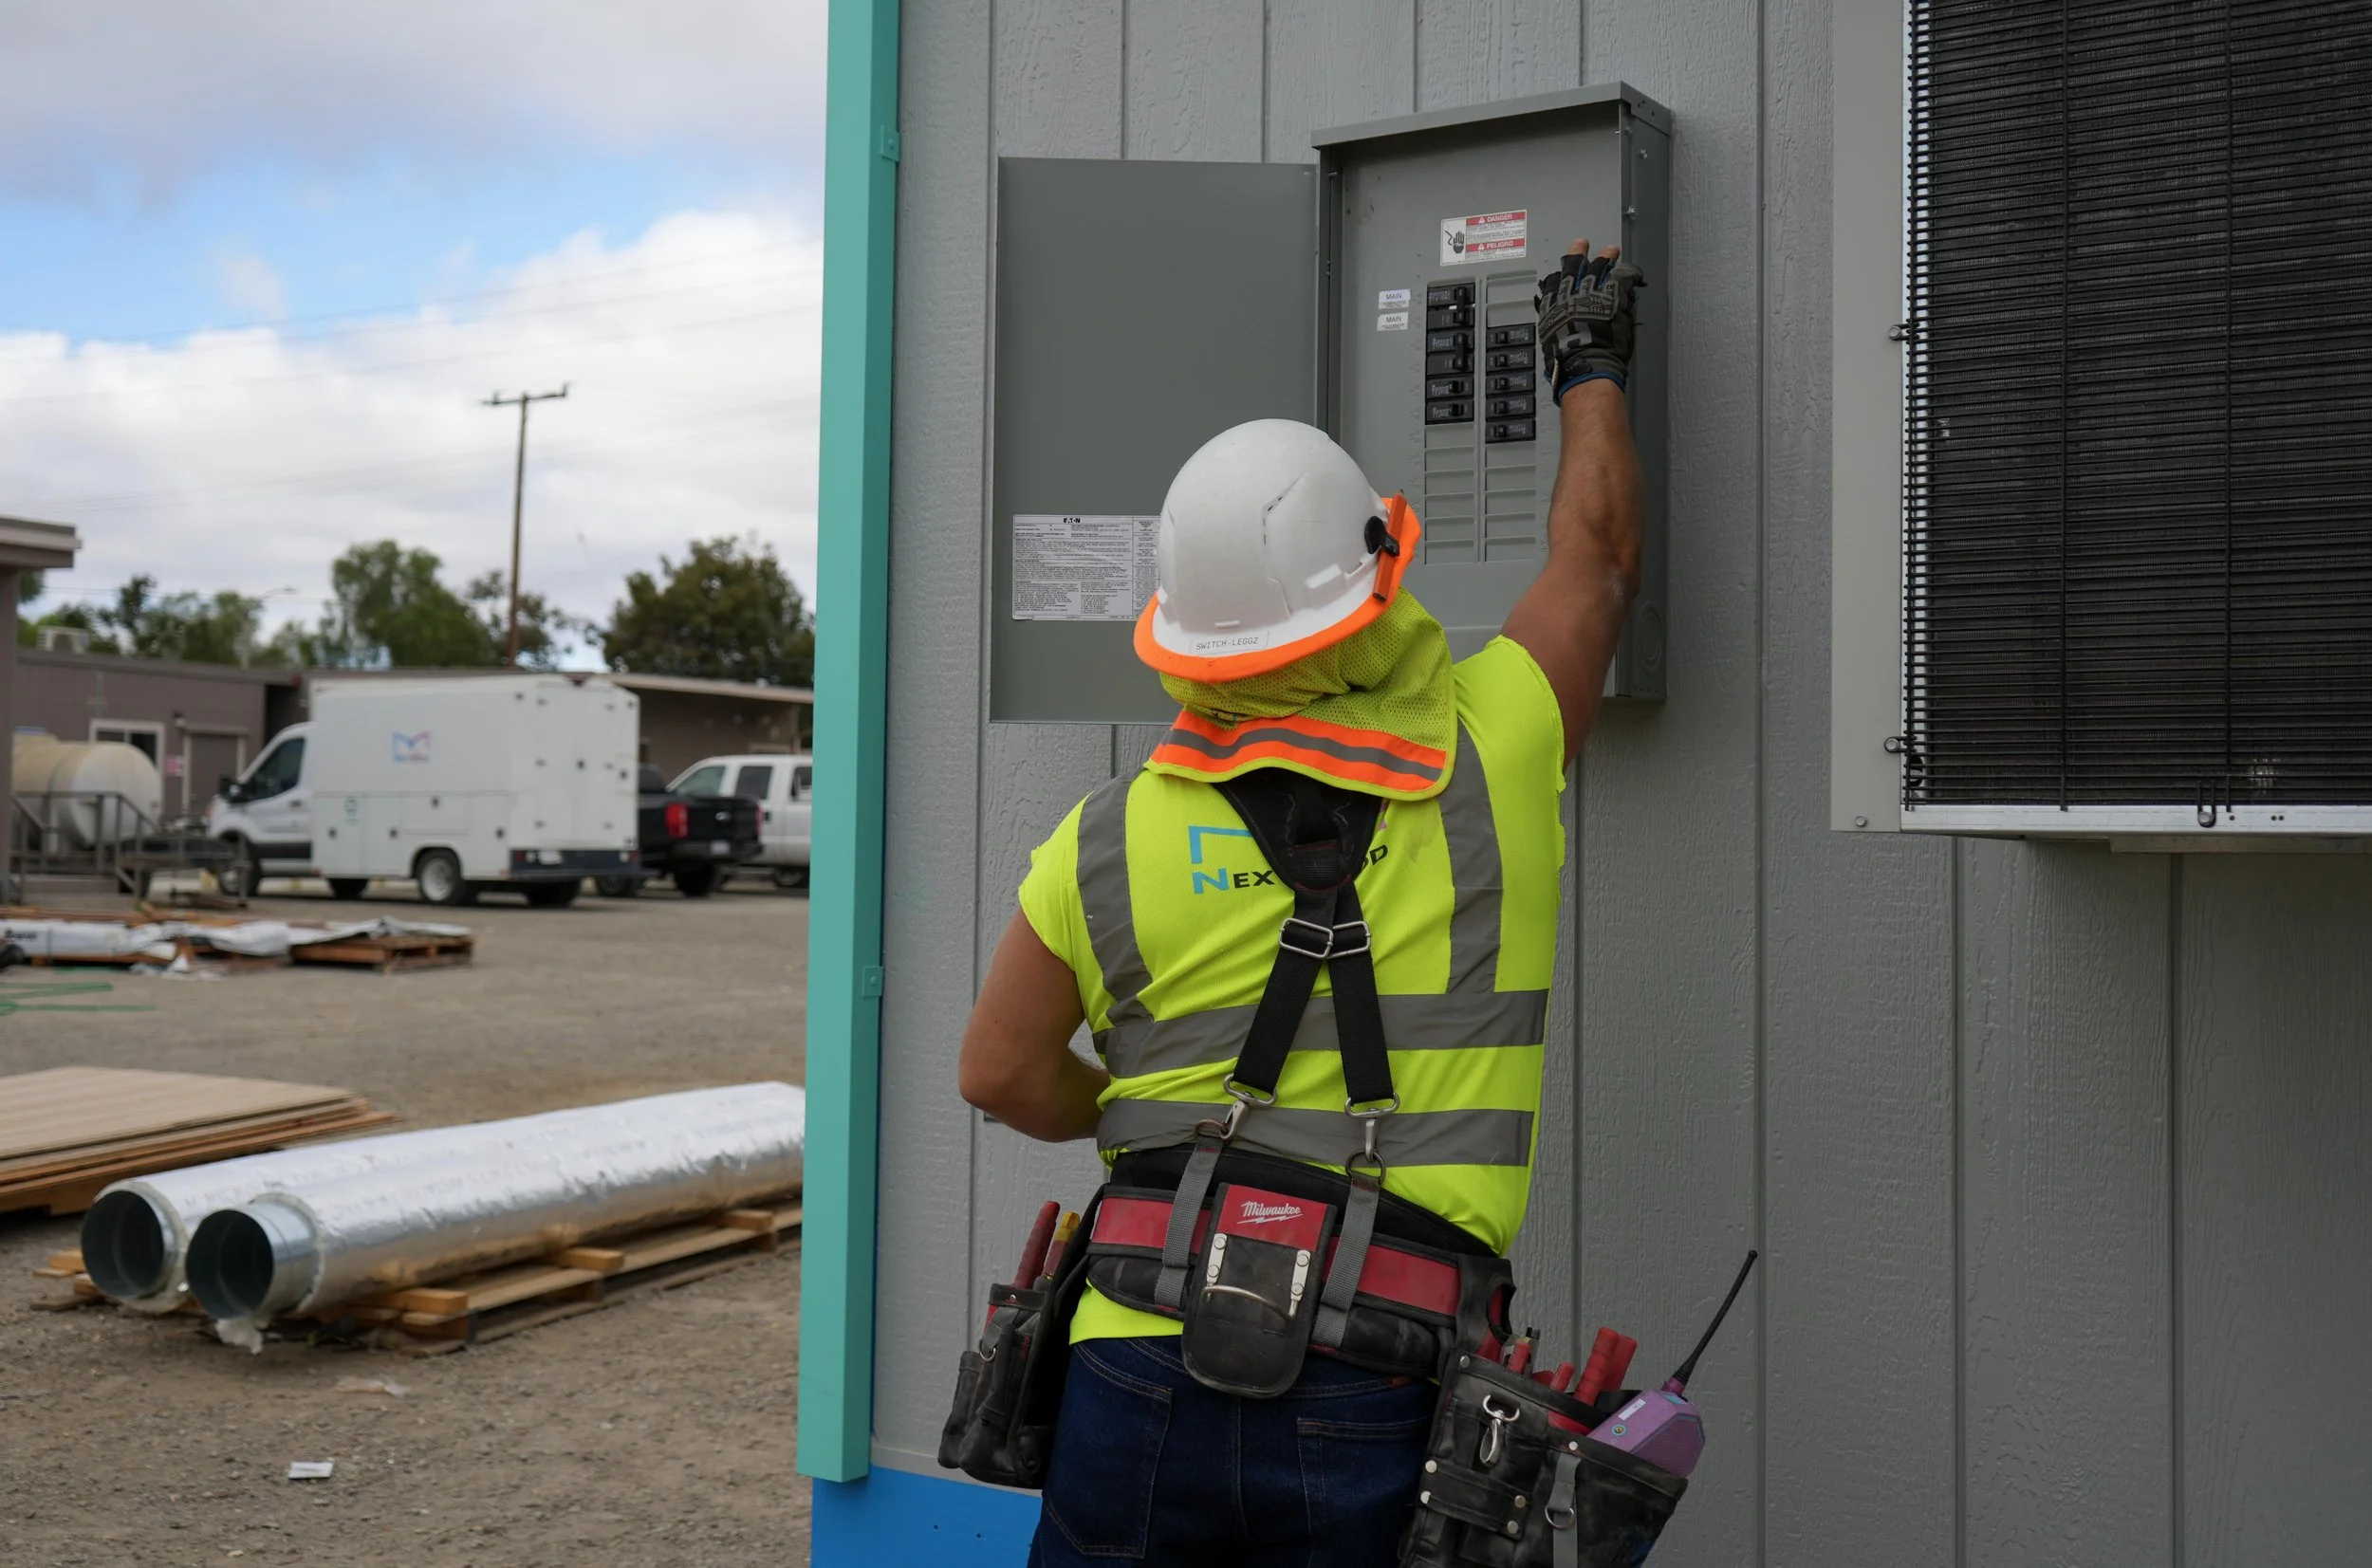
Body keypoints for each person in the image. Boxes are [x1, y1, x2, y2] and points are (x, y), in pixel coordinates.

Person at [959, 237, 1645, 1568]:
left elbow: (996, 1071)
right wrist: (1592, 358)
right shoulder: (1496, 742)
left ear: (1184, 632)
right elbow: (1599, 559)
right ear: (1382, 569)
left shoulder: (1104, 838)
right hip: (1379, 1378)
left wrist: (1135, 1111)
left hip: (1129, 1361)